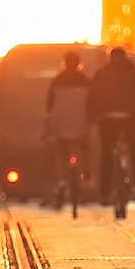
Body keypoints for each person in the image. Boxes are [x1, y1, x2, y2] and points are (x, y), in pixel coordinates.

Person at [87, 47, 135, 218]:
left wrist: (93, 116)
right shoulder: (133, 74)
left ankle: (105, 190)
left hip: (107, 118)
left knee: (107, 154)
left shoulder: (102, 73)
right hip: (130, 117)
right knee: (133, 145)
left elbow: (93, 96)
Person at [43, 51, 94, 207]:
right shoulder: (86, 81)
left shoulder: (57, 81)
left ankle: (61, 181)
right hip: (82, 124)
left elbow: (49, 105)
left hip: (62, 125)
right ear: (79, 64)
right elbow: (92, 103)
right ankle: (86, 174)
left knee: (61, 154)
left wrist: (50, 123)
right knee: (85, 148)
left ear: (64, 63)